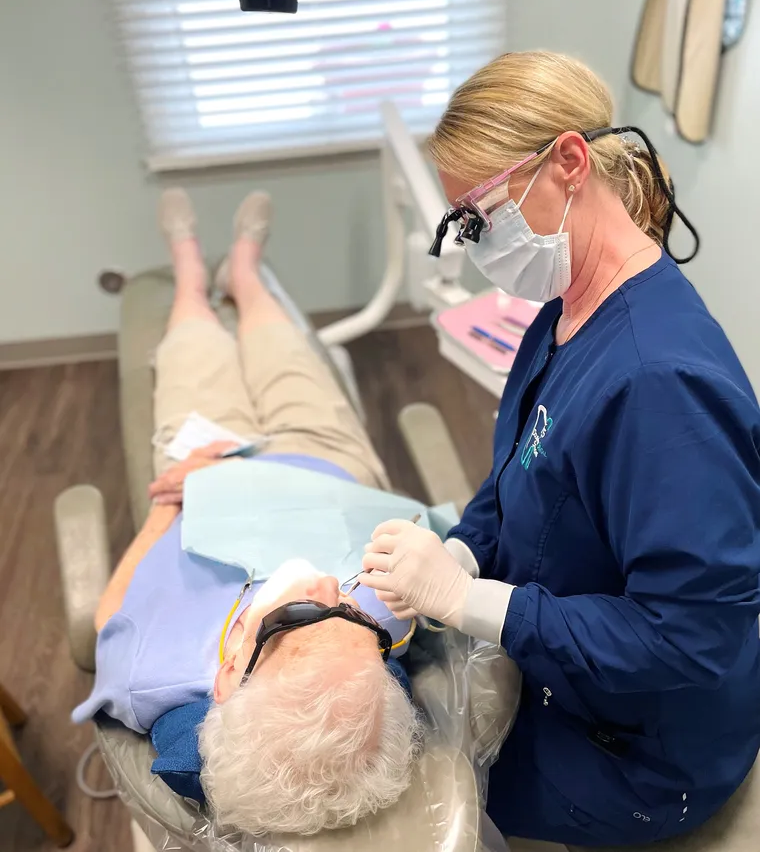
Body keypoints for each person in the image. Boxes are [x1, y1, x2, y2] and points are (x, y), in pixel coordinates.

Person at [361, 51, 760, 847]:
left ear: (569, 163)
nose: (471, 243)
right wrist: (464, 554)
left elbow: (688, 639)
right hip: (570, 672)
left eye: (475, 216)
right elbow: (519, 471)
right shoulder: (565, 308)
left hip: (642, 754)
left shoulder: (659, 382)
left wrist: (466, 602)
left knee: (415, 778)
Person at [73, 189, 421, 838]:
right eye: (353, 617)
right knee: (288, 358)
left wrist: (170, 505)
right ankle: (245, 273)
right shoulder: (391, 622)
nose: (327, 588)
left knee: (192, 353)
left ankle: (188, 274)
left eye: (299, 615)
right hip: (325, 463)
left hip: (201, 477)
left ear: (229, 673)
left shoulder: (151, 673)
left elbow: (107, 616)